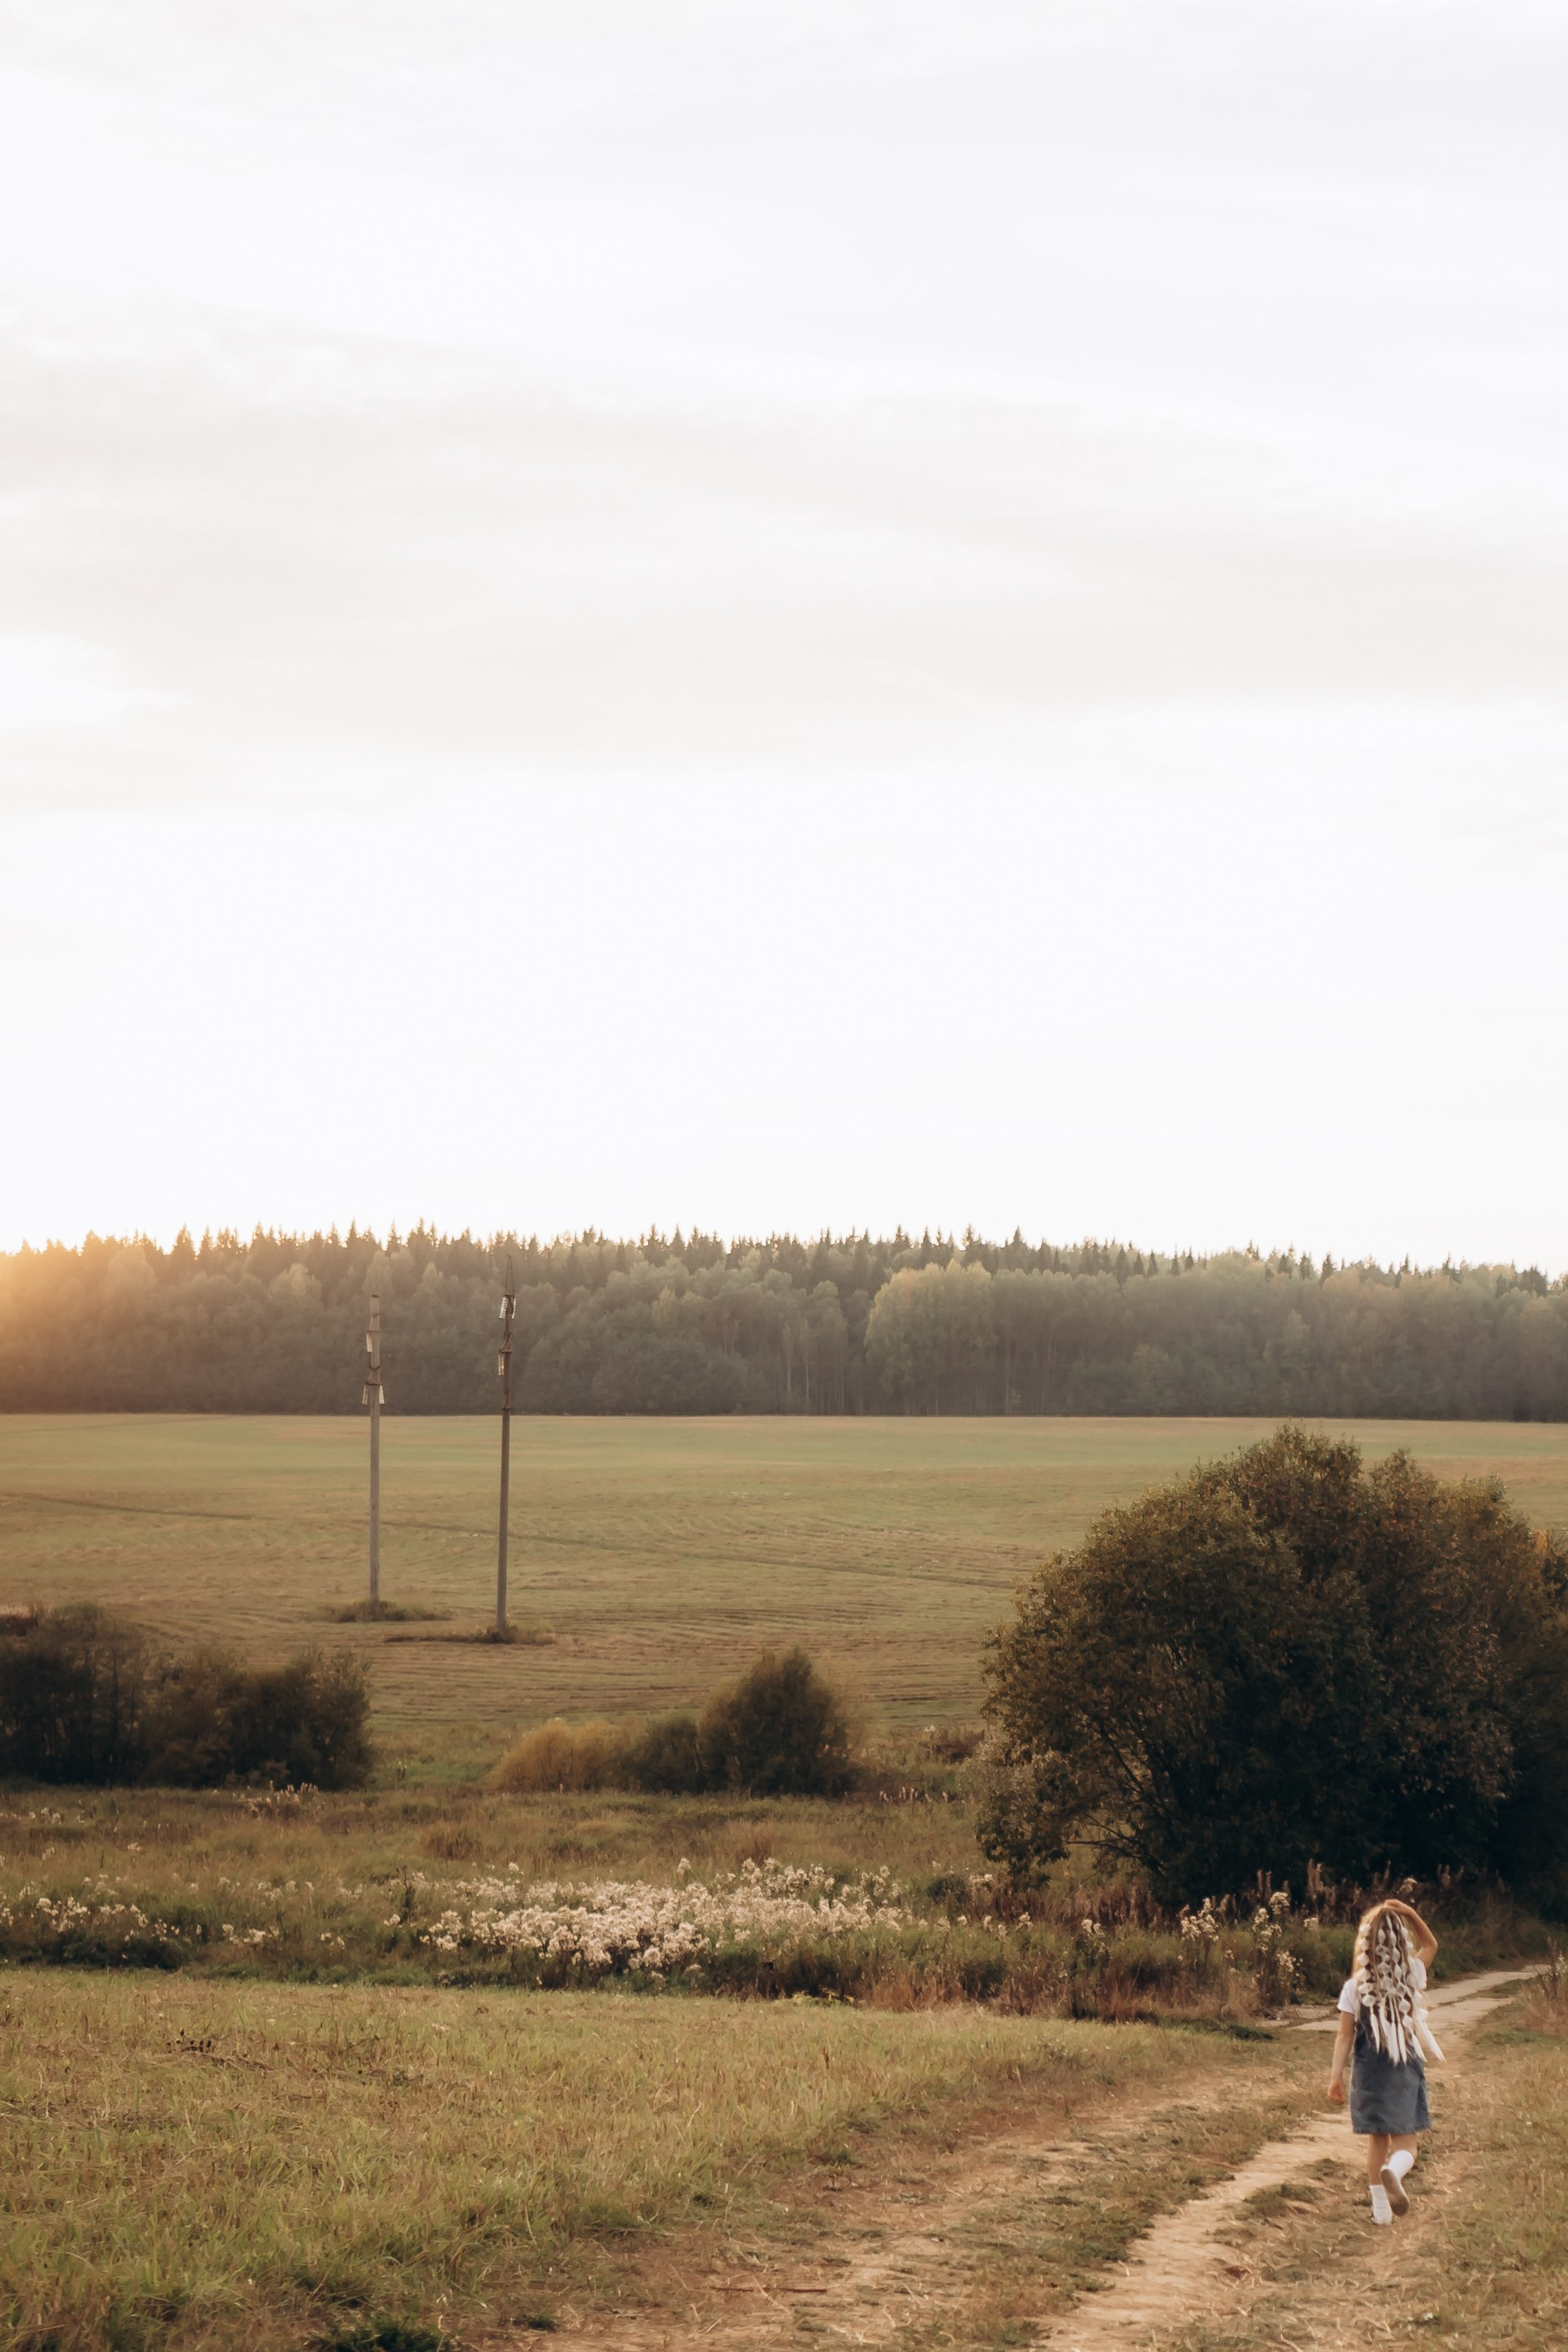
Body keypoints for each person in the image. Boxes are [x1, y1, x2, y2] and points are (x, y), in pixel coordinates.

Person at [1327, 1897, 1442, 2224]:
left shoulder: (1354, 1987)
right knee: (1407, 2143)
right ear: (1398, 1940)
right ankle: (1395, 2169)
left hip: (1369, 2074)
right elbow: (1431, 1944)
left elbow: (1345, 2036)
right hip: (1403, 2068)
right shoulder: (1412, 1976)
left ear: (1365, 1942)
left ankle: (1381, 2212)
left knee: (1378, 2139)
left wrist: (1335, 2077)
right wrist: (1409, 1912)